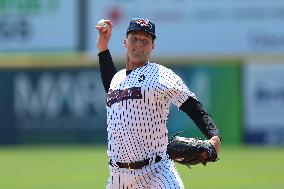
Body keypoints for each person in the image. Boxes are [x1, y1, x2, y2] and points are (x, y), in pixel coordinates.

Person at [96, 18, 221, 189]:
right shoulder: (117, 79)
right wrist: (103, 47)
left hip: (156, 172)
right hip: (118, 177)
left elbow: (193, 106)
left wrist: (214, 136)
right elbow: (112, 86)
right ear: (125, 42)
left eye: (145, 41)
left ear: (152, 47)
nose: (139, 44)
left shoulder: (161, 75)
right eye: (134, 38)